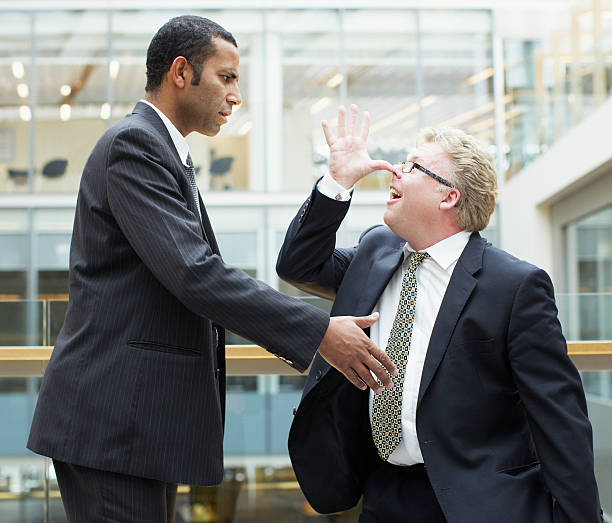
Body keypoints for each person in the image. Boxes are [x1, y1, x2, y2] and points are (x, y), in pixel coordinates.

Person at [26, 18, 397, 522]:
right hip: (113, 423)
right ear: (181, 72)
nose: (236, 96)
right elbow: (194, 274)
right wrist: (319, 332)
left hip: (138, 423)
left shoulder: (163, 151)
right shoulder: (135, 146)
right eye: (226, 78)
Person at [277, 104, 602, 523]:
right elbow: (297, 265)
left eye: (412, 166)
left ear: (449, 196)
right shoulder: (376, 250)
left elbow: (560, 422)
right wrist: (337, 180)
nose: (395, 171)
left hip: (482, 503)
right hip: (383, 493)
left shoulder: (515, 285)